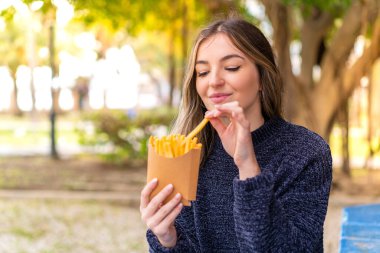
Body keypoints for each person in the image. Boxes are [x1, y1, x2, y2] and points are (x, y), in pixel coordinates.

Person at [140, 18, 332, 252]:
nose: (214, 81)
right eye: (202, 72)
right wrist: (167, 240)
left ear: (262, 77)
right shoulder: (185, 152)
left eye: (231, 67)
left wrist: (247, 166)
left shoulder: (306, 152)